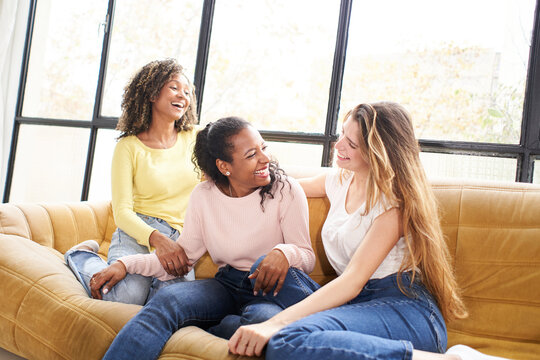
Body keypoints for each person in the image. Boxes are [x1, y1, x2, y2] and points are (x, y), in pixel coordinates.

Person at [228, 102, 503, 360]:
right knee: (265, 268)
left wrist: (273, 324)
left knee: (287, 340)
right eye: (342, 135)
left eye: (352, 144)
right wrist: (230, 172)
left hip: (403, 308)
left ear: (379, 152)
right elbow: (282, 184)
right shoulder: (339, 180)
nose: (338, 146)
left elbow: (353, 281)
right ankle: (254, 324)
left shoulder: (394, 203)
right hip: (354, 304)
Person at [101, 116, 318, 359]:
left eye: (263, 148)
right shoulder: (203, 196)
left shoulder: (285, 190)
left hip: (268, 289)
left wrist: (285, 253)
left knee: (261, 322)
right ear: (225, 167)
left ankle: (224, 326)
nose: (265, 158)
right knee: (167, 300)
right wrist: (124, 264)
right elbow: (180, 260)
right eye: (251, 155)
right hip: (226, 283)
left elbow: (307, 258)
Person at [64, 58, 199, 305]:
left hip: (181, 237)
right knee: (127, 297)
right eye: (174, 88)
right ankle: (82, 256)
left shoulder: (196, 138)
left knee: (173, 302)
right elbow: (122, 211)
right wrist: (157, 239)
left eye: (188, 91)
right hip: (138, 232)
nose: (183, 95)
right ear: (151, 94)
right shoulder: (128, 147)